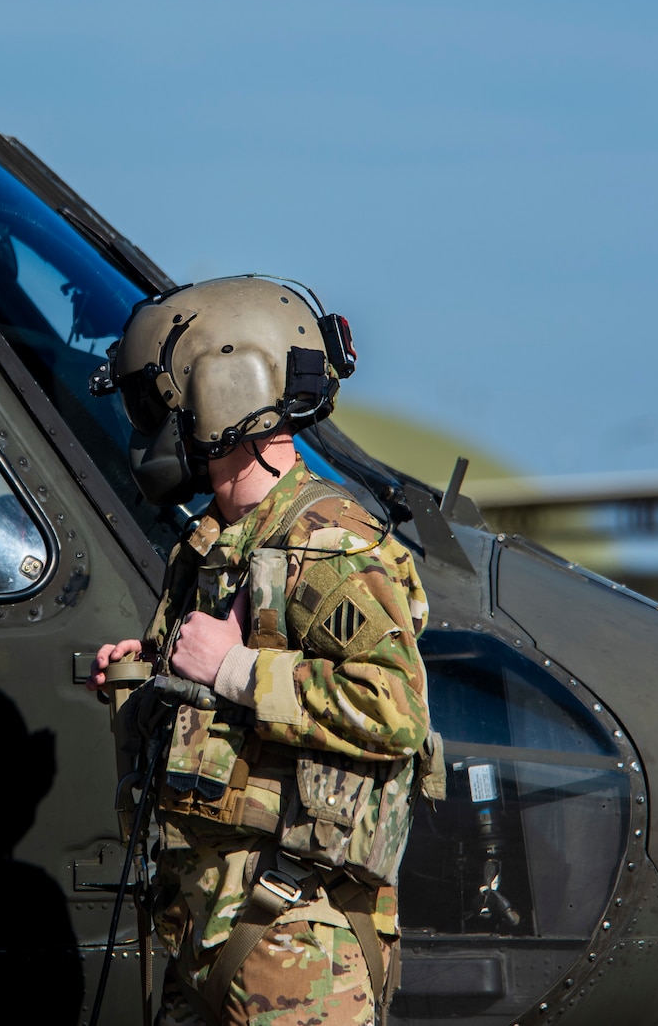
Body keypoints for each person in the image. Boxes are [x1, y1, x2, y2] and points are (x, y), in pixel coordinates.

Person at [87, 276, 433, 1026]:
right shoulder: (212, 543)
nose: (150, 426)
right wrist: (145, 674)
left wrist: (233, 668)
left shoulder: (327, 541)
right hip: (199, 925)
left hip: (297, 940)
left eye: (158, 404)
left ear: (225, 392)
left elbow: (397, 707)